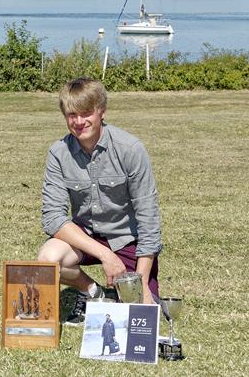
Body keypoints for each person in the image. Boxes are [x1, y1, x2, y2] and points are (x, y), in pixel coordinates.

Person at [38, 77, 162, 326]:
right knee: (48, 259)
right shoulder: (58, 153)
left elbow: (149, 220)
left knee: (142, 312)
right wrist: (106, 255)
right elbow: (53, 217)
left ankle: (132, 291)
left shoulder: (130, 149)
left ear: (102, 111)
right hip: (87, 236)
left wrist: (139, 285)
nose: (79, 122)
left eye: (86, 113)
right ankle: (93, 293)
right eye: (72, 115)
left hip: (128, 238)